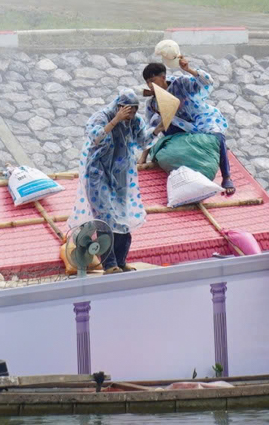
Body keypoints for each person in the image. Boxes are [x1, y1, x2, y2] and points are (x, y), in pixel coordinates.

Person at [69, 91, 150, 272]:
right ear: (119, 107)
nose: (131, 116)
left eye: (134, 111)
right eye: (128, 111)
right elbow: (96, 136)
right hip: (97, 174)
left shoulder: (134, 122)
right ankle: (110, 264)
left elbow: (143, 141)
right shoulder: (102, 117)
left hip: (120, 176)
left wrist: (159, 128)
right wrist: (116, 121)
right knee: (105, 217)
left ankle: (121, 260)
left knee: (122, 217)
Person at [140, 56, 235, 195]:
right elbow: (149, 128)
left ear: (163, 77)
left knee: (218, 136)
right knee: (165, 133)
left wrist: (188, 69)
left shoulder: (181, 83)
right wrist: (143, 158)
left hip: (198, 118)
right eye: (148, 83)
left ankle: (226, 177)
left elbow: (207, 82)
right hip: (178, 129)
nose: (150, 86)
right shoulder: (153, 104)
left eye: (153, 81)